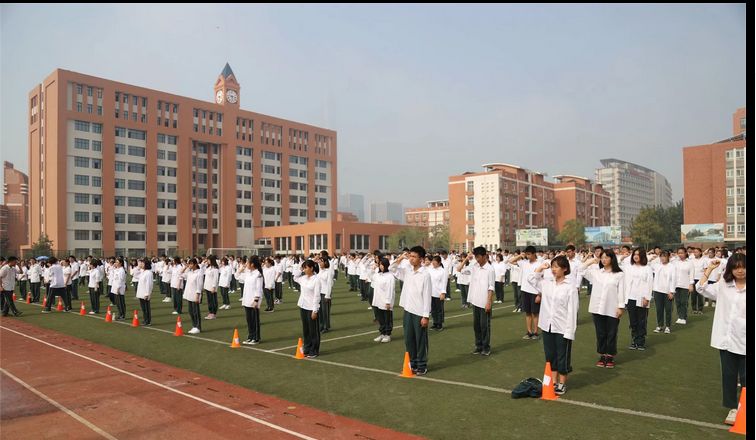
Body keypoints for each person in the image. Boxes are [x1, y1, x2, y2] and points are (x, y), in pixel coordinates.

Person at [696, 254, 746, 426]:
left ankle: (745, 409)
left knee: (747, 377)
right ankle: (733, 408)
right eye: (736, 267)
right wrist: (709, 269)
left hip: (745, 338)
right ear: (730, 269)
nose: (740, 270)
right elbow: (701, 288)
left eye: (743, 266)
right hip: (726, 338)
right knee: (729, 375)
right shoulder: (724, 285)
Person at [529, 255, 577, 395]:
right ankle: (553, 381)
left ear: (565, 269)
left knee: (563, 355)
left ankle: (562, 383)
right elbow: (531, 279)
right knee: (550, 355)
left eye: (557, 267)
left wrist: (570, 331)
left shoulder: (570, 287)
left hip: (562, 326)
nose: (554, 270)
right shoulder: (547, 283)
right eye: (553, 266)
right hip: (547, 325)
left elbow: (573, 311)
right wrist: (540, 268)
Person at [390, 246, 432, 375]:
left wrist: (425, 316)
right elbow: (392, 269)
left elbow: (427, 295)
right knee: (409, 339)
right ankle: (412, 363)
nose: (411, 259)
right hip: (408, 309)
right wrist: (401, 257)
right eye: (411, 256)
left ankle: (421, 365)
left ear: (421, 259)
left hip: (419, 312)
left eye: (414, 257)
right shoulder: (408, 271)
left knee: (420, 340)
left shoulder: (425, 275)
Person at [582, 249, 625, 368]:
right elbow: (580, 270)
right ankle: (602, 354)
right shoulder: (597, 273)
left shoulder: (619, 274)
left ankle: (610, 356)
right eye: (602, 258)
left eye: (606, 257)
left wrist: (621, 307)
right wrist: (590, 261)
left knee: (611, 333)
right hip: (597, 307)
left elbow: (621, 291)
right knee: (600, 333)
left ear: (612, 259)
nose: (604, 260)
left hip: (612, 308)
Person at [458, 247, 495, 356]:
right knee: (476, 325)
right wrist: (466, 259)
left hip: (484, 301)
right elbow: (459, 269)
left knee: (485, 326)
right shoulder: (474, 266)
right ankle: (478, 346)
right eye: (475, 257)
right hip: (475, 300)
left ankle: (486, 347)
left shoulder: (490, 269)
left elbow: (491, 287)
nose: (477, 259)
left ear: (484, 256)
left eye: (478, 257)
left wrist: (488, 302)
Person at [509, 246, 542, 340]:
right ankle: (529, 332)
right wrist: (520, 255)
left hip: (535, 291)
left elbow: (541, 280)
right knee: (527, 313)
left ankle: (535, 332)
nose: (527, 256)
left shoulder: (539, 263)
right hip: (525, 290)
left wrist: (539, 294)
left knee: (535, 313)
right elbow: (511, 261)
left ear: (534, 253)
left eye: (529, 254)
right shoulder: (524, 263)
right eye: (526, 254)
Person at [624, 248, 653, 350]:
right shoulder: (628, 268)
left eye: (638, 254)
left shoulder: (647, 268)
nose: (636, 256)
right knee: (633, 321)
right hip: (630, 297)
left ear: (642, 256)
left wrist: (647, 297)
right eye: (634, 254)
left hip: (642, 297)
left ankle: (640, 342)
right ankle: (634, 340)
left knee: (641, 320)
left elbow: (649, 284)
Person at [294, 260, 322, 358]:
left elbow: (317, 296)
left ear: (311, 268)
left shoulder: (316, 279)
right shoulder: (303, 278)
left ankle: (314, 350)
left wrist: (315, 310)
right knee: (306, 329)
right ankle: (307, 348)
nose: (304, 269)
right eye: (304, 268)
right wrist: (300, 269)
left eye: (306, 267)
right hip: (303, 306)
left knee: (313, 330)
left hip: (311, 307)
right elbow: (295, 277)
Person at [649, 251, 675, 334]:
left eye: (665, 256)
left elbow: (673, 280)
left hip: (667, 292)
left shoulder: (672, 267)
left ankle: (667, 326)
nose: (663, 258)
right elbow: (647, 263)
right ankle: (660, 325)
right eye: (661, 256)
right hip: (657, 291)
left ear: (668, 257)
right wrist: (654, 257)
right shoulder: (657, 266)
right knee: (659, 309)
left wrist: (671, 291)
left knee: (668, 309)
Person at [239, 256, 263, 344]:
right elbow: (237, 277)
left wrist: (256, 300)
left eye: (248, 262)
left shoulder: (258, 274)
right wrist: (240, 270)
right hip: (247, 299)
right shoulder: (248, 273)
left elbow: (259, 289)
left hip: (254, 301)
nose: (246, 264)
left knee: (255, 320)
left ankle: (256, 338)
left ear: (252, 264)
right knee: (249, 320)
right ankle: (250, 336)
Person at [371, 257, 396, 342]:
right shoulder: (378, 274)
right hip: (377, 300)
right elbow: (371, 278)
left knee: (387, 319)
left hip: (385, 301)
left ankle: (387, 334)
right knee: (380, 318)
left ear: (386, 265)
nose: (381, 266)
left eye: (382, 264)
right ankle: (382, 334)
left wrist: (388, 302)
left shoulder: (390, 276)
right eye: (380, 264)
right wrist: (373, 269)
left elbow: (390, 290)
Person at [672, 247, 694, 325]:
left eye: (682, 253)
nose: (680, 255)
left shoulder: (690, 262)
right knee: (677, 302)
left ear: (685, 253)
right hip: (676, 285)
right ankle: (679, 316)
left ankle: (683, 317)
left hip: (685, 285)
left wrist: (691, 284)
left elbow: (691, 274)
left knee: (684, 302)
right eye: (679, 253)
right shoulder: (674, 262)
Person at [182, 258, 204, 334]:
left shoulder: (199, 273)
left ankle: (198, 327)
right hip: (189, 294)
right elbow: (181, 275)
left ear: (195, 264)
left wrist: (197, 295)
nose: (190, 265)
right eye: (189, 264)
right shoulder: (189, 272)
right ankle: (194, 326)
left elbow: (199, 285)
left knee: (196, 312)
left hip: (195, 295)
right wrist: (185, 267)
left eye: (191, 264)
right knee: (190, 311)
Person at [428, 255, 447, 331]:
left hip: (438, 293)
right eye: (432, 261)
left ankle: (440, 324)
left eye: (435, 262)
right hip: (431, 292)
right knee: (433, 309)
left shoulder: (442, 271)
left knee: (439, 310)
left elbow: (444, 282)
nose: (433, 263)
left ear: (439, 263)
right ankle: (435, 323)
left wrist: (443, 292)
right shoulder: (430, 269)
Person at [317, 252, 334, 333]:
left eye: (321, 262)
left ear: (325, 262)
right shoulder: (321, 271)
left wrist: (327, 295)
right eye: (319, 262)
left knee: (325, 311)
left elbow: (329, 284)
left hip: (325, 293)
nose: (319, 263)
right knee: (320, 311)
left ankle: (326, 326)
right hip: (319, 293)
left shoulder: (328, 272)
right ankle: (321, 325)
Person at [135, 259, 154, 325]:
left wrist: (147, 294)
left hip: (145, 293)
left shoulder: (149, 273)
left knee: (146, 308)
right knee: (143, 308)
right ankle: (145, 319)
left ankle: (148, 321)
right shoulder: (143, 271)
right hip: (141, 292)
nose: (141, 265)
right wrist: (138, 267)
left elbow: (149, 284)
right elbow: (135, 275)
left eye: (143, 264)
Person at [203, 255, 220, 319]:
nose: (207, 261)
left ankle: (213, 313)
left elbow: (215, 279)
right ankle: (210, 312)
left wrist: (213, 287)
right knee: (209, 301)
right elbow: (206, 277)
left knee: (213, 301)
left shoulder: (215, 269)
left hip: (212, 287)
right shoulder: (208, 268)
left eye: (208, 260)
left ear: (212, 260)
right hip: (207, 286)